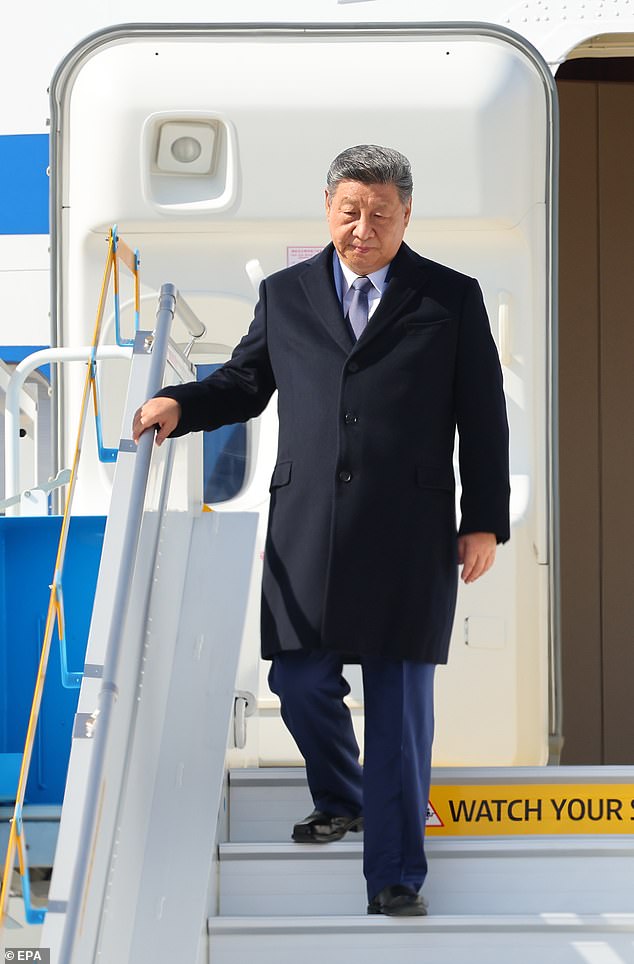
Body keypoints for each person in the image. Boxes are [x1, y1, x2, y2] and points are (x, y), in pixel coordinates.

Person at [133, 144, 510, 917]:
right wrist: (181, 402)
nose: (362, 228)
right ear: (328, 211)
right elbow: (244, 383)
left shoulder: (450, 297)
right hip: (308, 527)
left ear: (407, 215)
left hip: (409, 533)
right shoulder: (286, 295)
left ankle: (395, 876)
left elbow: (484, 417)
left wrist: (484, 523)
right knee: (300, 682)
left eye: (380, 214)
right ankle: (341, 795)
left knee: (400, 708)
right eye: (349, 212)